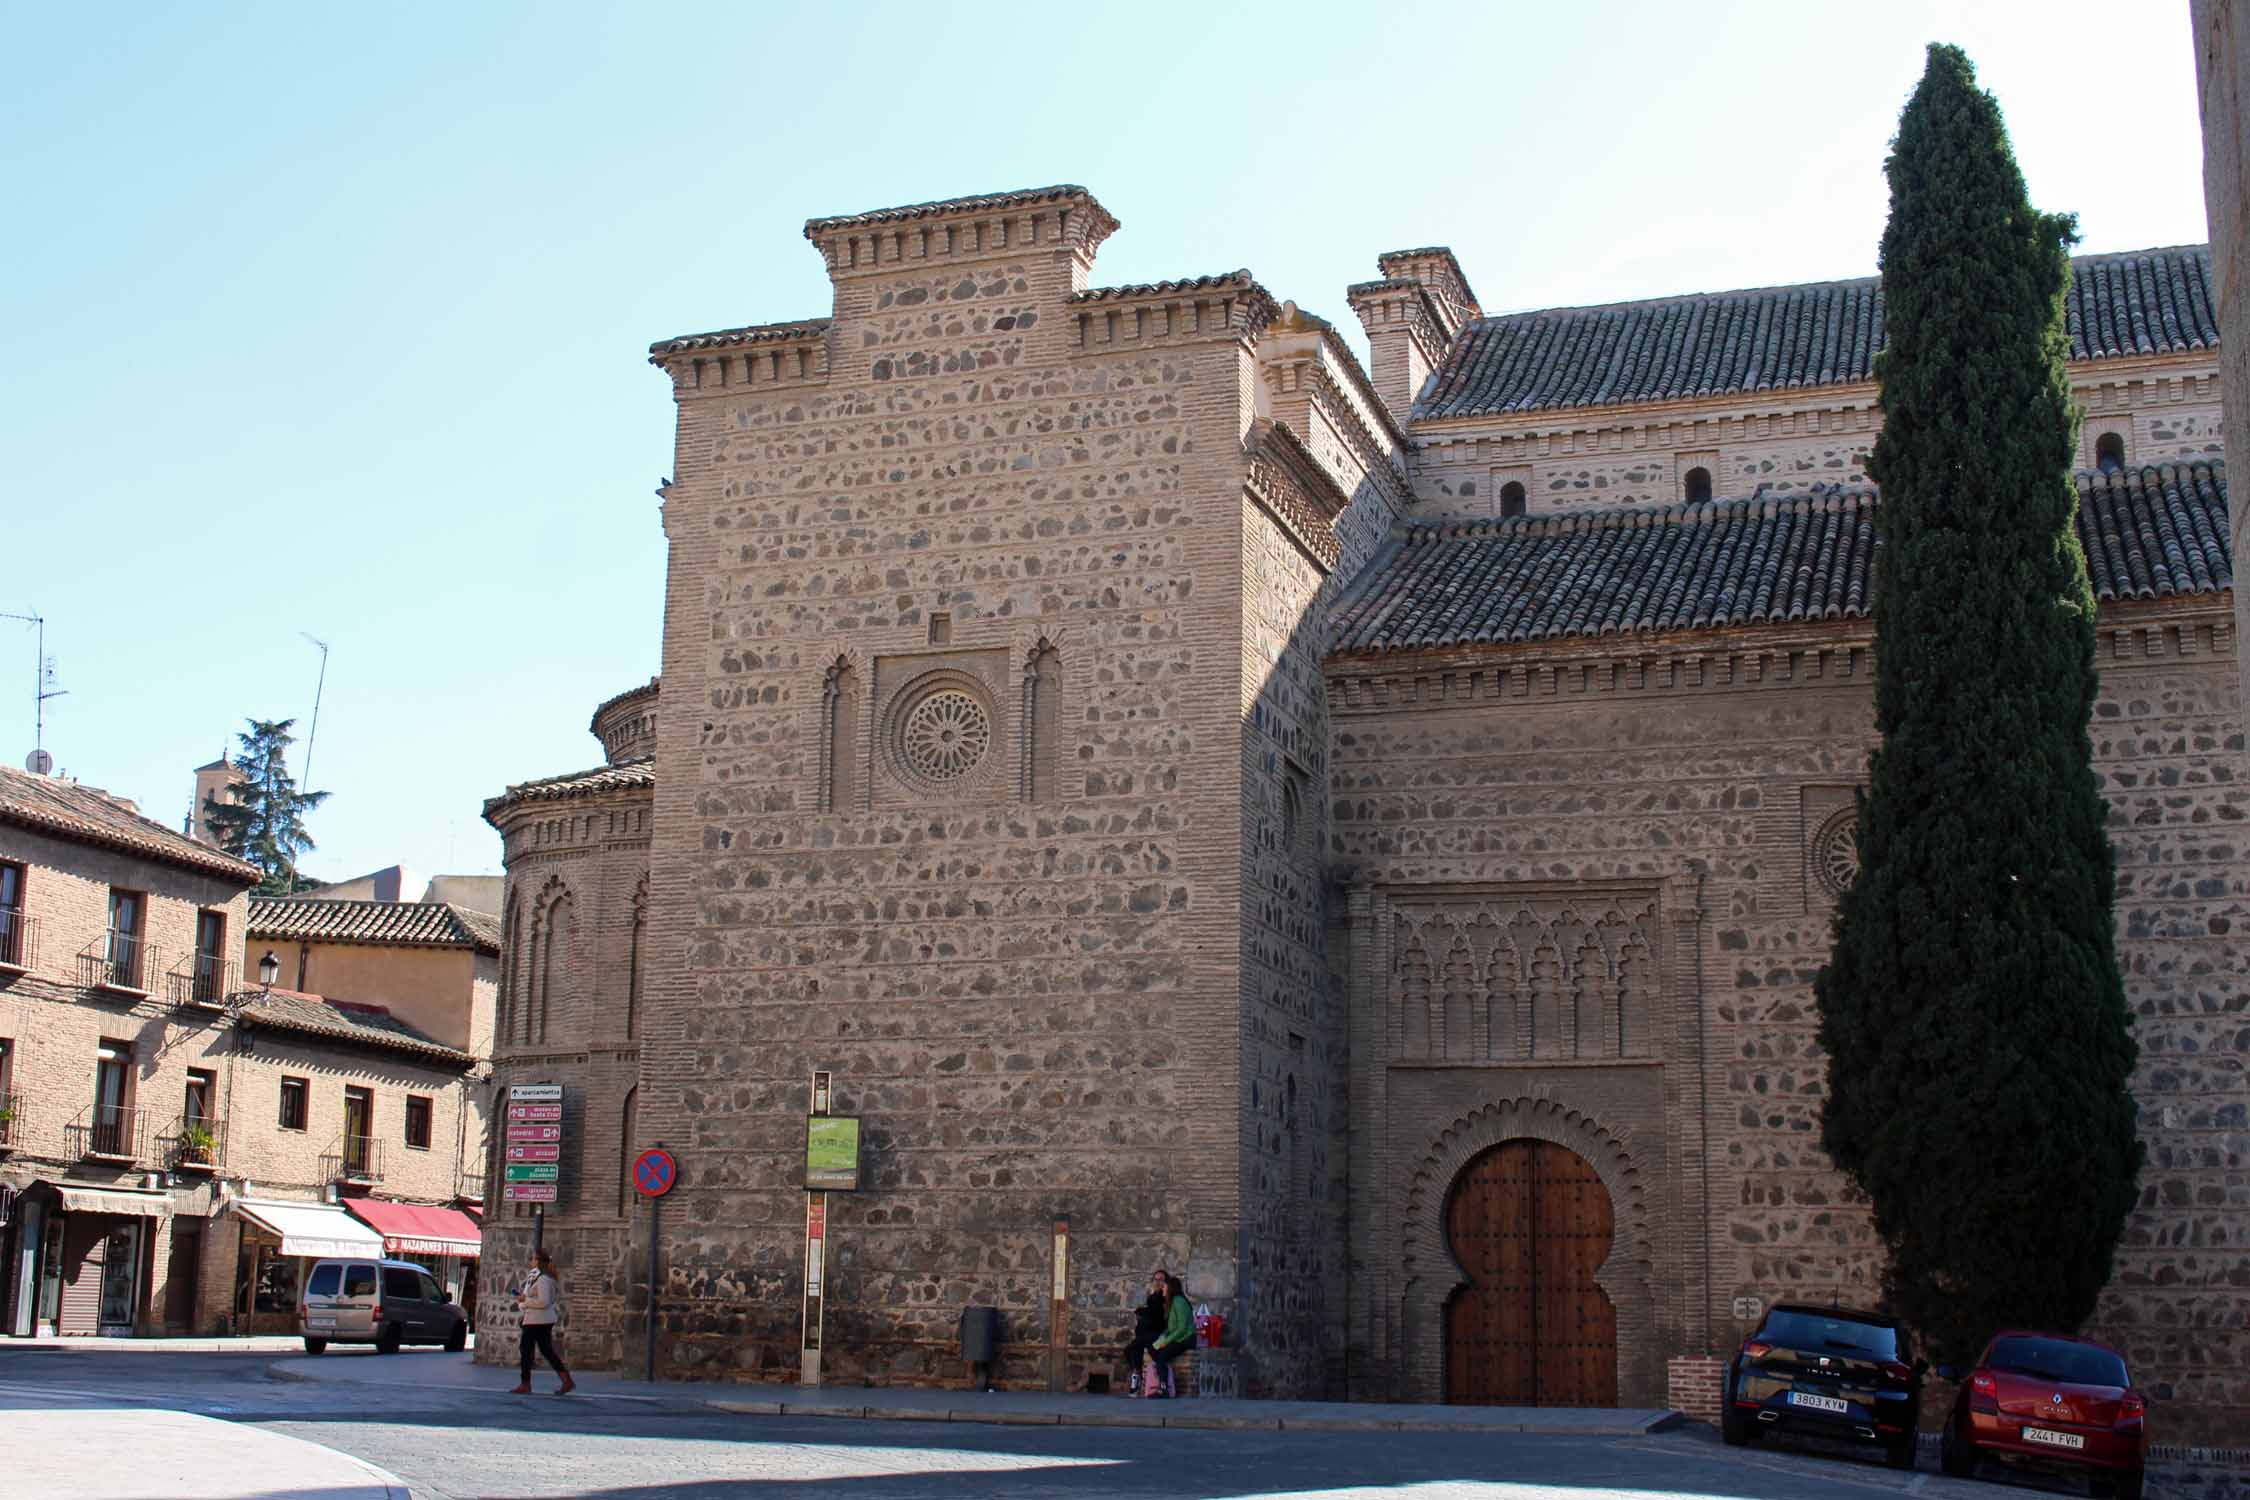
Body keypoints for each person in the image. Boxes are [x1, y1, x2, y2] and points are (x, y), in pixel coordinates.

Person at [510, 1248, 574, 1395]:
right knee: (546, 1351)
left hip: (537, 1320)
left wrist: (525, 1300)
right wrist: (523, 1301)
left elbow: (543, 1301)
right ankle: (566, 1380)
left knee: (526, 1350)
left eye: (533, 1258)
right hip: (539, 1319)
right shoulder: (541, 1277)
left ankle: (525, 1384)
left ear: (539, 1261)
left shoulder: (544, 1279)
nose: (531, 1261)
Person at [1122, 1267, 1169, 1395]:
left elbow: (1157, 1316)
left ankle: (1136, 1378)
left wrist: (1141, 1312)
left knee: (1132, 1348)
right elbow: (1151, 1312)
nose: (1158, 1282)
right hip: (1147, 1332)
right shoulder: (1154, 1296)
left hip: (1158, 1333)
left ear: (1166, 1282)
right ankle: (1136, 1375)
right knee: (1135, 1348)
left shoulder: (1165, 1298)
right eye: (1156, 1279)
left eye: (1161, 1280)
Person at [1147, 1272, 1194, 1398]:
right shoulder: (1172, 1302)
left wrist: (1165, 1342)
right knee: (1153, 1347)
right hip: (1177, 1337)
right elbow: (1172, 1327)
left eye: (1165, 1286)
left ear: (1171, 1288)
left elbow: (1182, 1329)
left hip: (1185, 1339)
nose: (1162, 1288)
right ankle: (1163, 1377)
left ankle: (1164, 1389)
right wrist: (1162, 1337)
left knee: (1162, 1356)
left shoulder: (1179, 1301)